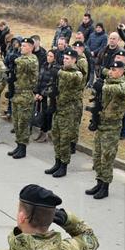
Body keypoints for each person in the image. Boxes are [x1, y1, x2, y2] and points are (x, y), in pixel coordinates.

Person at [86, 61, 125, 200]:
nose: (112, 71)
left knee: (107, 157)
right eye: (111, 69)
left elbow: (119, 90)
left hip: (112, 126)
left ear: (122, 72)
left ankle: (105, 186)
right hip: (101, 124)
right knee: (97, 155)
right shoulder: (106, 82)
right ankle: (99, 182)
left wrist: (103, 87)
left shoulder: (124, 85)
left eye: (115, 69)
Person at [46, 48, 83, 178]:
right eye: (64, 58)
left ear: (74, 60)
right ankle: (57, 162)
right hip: (58, 108)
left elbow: (72, 77)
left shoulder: (76, 73)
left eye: (68, 59)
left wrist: (58, 72)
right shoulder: (61, 71)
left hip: (68, 111)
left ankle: (64, 165)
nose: (65, 60)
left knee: (65, 139)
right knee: (56, 137)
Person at [6, 37, 38, 159]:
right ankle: (18, 145)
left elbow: (25, 63)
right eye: (22, 46)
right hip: (17, 93)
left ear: (31, 47)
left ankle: (23, 148)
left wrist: (15, 60)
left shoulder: (32, 59)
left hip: (26, 94)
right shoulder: (21, 58)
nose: (21, 48)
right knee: (17, 122)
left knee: (24, 123)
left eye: (24, 46)